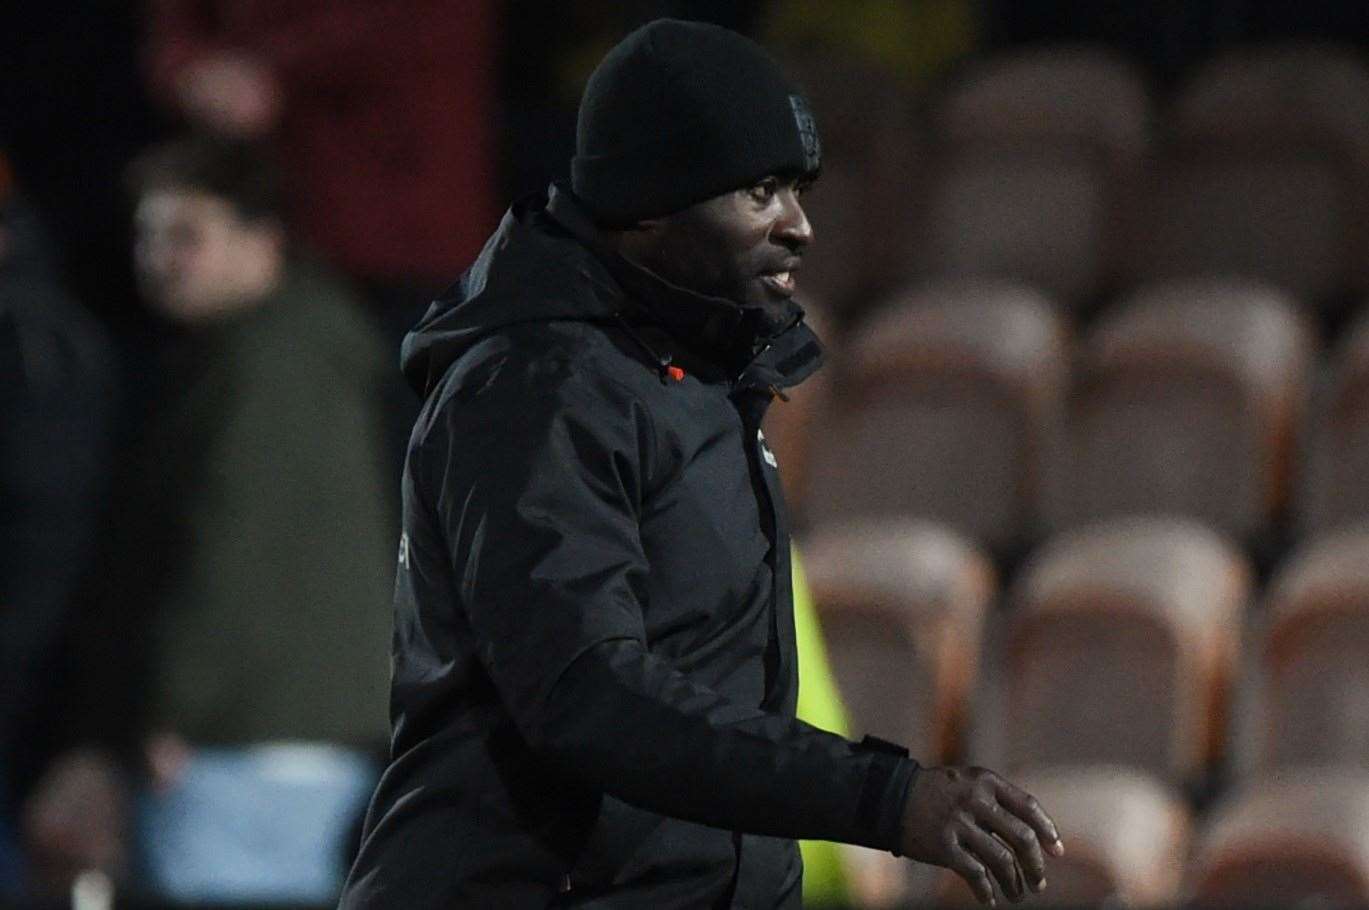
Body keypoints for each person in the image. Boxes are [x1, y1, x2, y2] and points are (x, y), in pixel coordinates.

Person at [340, 19, 1062, 908]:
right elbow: (590, 694)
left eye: (797, 189)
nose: (798, 226)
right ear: (650, 201)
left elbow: (708, 694)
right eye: (760, 190)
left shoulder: (693, 378)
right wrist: (881, 795)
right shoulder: (540, 386)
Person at [22, 135, 395, 903]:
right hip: (268, 733)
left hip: (246, 740)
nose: (158, 256)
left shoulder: (275, 365)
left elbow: (241, 552)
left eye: (186, 234)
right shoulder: (259, 351)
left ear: (262, 239)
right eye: (147, 235)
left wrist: (171, 710)